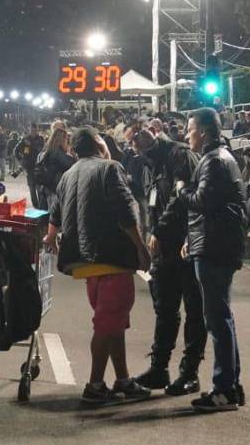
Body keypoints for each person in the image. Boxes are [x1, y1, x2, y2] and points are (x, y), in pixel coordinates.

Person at [44, 128, 152, 405]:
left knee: (113, 324)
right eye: (103, 141)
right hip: (112, 257)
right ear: (97, 145)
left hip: (84, 261)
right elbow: (126, 211)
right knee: (106, 325)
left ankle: (123, 380)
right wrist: (140, 247)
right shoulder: (110, 168)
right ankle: (94, 384)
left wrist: (51, 235)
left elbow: (55, 210)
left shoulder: (69, 174)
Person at [181, 107, 248, 413]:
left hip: (214, 248)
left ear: (204, 132)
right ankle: (230, 385)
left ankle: (223, 389)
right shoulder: (222, 159)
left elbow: (202, 202)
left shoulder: (214, 162)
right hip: (216, 245)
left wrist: (183, 190)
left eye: (190, 129)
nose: (187, 135)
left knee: (217, 320)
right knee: (223, 317)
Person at [130, 128, 203, 395]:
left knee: (194, 310)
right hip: (162, 247)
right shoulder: (148, 163)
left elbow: (181, 198)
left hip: (184, 242)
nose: (134, 144)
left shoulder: (178, 155)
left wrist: (159, 231)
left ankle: (189, 373)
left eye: (138, 137)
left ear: (152, 133)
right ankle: (159, 368)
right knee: (165, 309)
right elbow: (151, 202)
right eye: (131, 141)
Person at [36, 127, 75, 212]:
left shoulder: (45, 151)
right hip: (54, 189)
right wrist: (73, 155)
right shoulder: (58, 153)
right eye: (66, 140)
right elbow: (72, 165)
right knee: (54, 217)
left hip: (45, 188)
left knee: (46, 215)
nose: (67, 143)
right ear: (62, 140)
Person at [17, 126, 46, 208]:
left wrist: (31, 144)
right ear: (29, 131)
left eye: (35, 130)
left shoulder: (40, 139)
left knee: (39, 188)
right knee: (32, 188)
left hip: (39, 167)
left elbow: (41, 149)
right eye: (32, 130)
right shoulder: (25, 139)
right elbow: (16, 150)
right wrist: (21, 159)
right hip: (29, 167)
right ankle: (36, 207)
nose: (33, 132)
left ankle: (41, 207)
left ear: (37, 131)